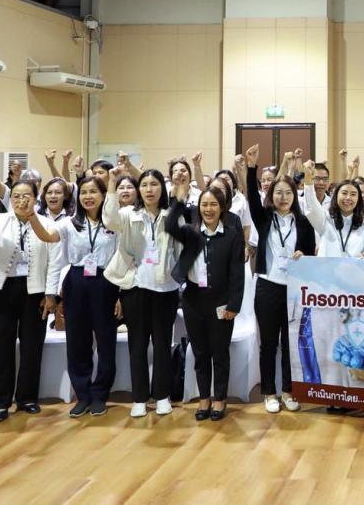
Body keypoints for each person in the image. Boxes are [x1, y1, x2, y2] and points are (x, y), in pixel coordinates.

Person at [28, 174, 121, 417]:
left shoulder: (114, 224)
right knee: (77, 342)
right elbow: (47, 236)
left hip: (106, 281)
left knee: (106, 342)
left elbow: (123, 257)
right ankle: (83, 395)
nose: (88, 197)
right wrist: (31, 216)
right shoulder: (70, 223)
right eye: (85, 192)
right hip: (77, 281)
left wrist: (120, 294)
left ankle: (100, 395)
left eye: (94, 192)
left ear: (103, 196)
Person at [0, 180, 61, 422]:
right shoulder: (0, 220)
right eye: (17, 196)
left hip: (35, 291)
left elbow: (54, 263)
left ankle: (27, 398)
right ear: (10, 200)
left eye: (27, 195)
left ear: (36, 198)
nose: (22, 200)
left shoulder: (48, 224)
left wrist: (50, 294)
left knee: (32, 346)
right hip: (3, 288)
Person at [103, 160, 179, 418]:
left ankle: (162, 395)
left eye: (154, 184)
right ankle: (139, 397)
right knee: (137, 345)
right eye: (144, 184)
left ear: (162, 189)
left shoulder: (172, 215)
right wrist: (112, 183)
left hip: (165, 288)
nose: (149, 189)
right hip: (135, 287)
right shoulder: (128, 214)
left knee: (162, 344)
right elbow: (109, 220)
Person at [244, 145, 316, 414]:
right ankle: (269, 392)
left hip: (294, 290)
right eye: (278, 192)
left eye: (288, 193)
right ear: (271, 195)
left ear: (294, 196)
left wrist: (304, 255)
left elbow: (311, 253)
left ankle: (288, 390)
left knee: (290, 343)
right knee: (269, 343)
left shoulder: (304, 222)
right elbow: (252, 197)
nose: (283, 197)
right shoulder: (264, 218)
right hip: (267, 286)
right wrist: (251, 167)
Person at [166, 183, 244, 421]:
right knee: (200, 353)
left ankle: (219, 398)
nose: (208, 209)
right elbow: (170, 225)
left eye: (213, 205)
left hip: (221, 302)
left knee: (219, 353)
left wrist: (234, 305)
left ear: (222, 208)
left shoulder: (231, 234)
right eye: (204, 205)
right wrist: (178, 201)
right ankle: (204, 398)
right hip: (193, 301)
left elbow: (237, 273)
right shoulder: (191, 232)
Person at [304, 162, 364, 258]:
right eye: (344, 193)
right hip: (327, 267)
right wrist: (308, 177)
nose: (348, 198)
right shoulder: (326, 218)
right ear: (336, 196)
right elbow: (312, 207)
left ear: (358, 199)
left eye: (353, 194)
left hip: (354, 267)